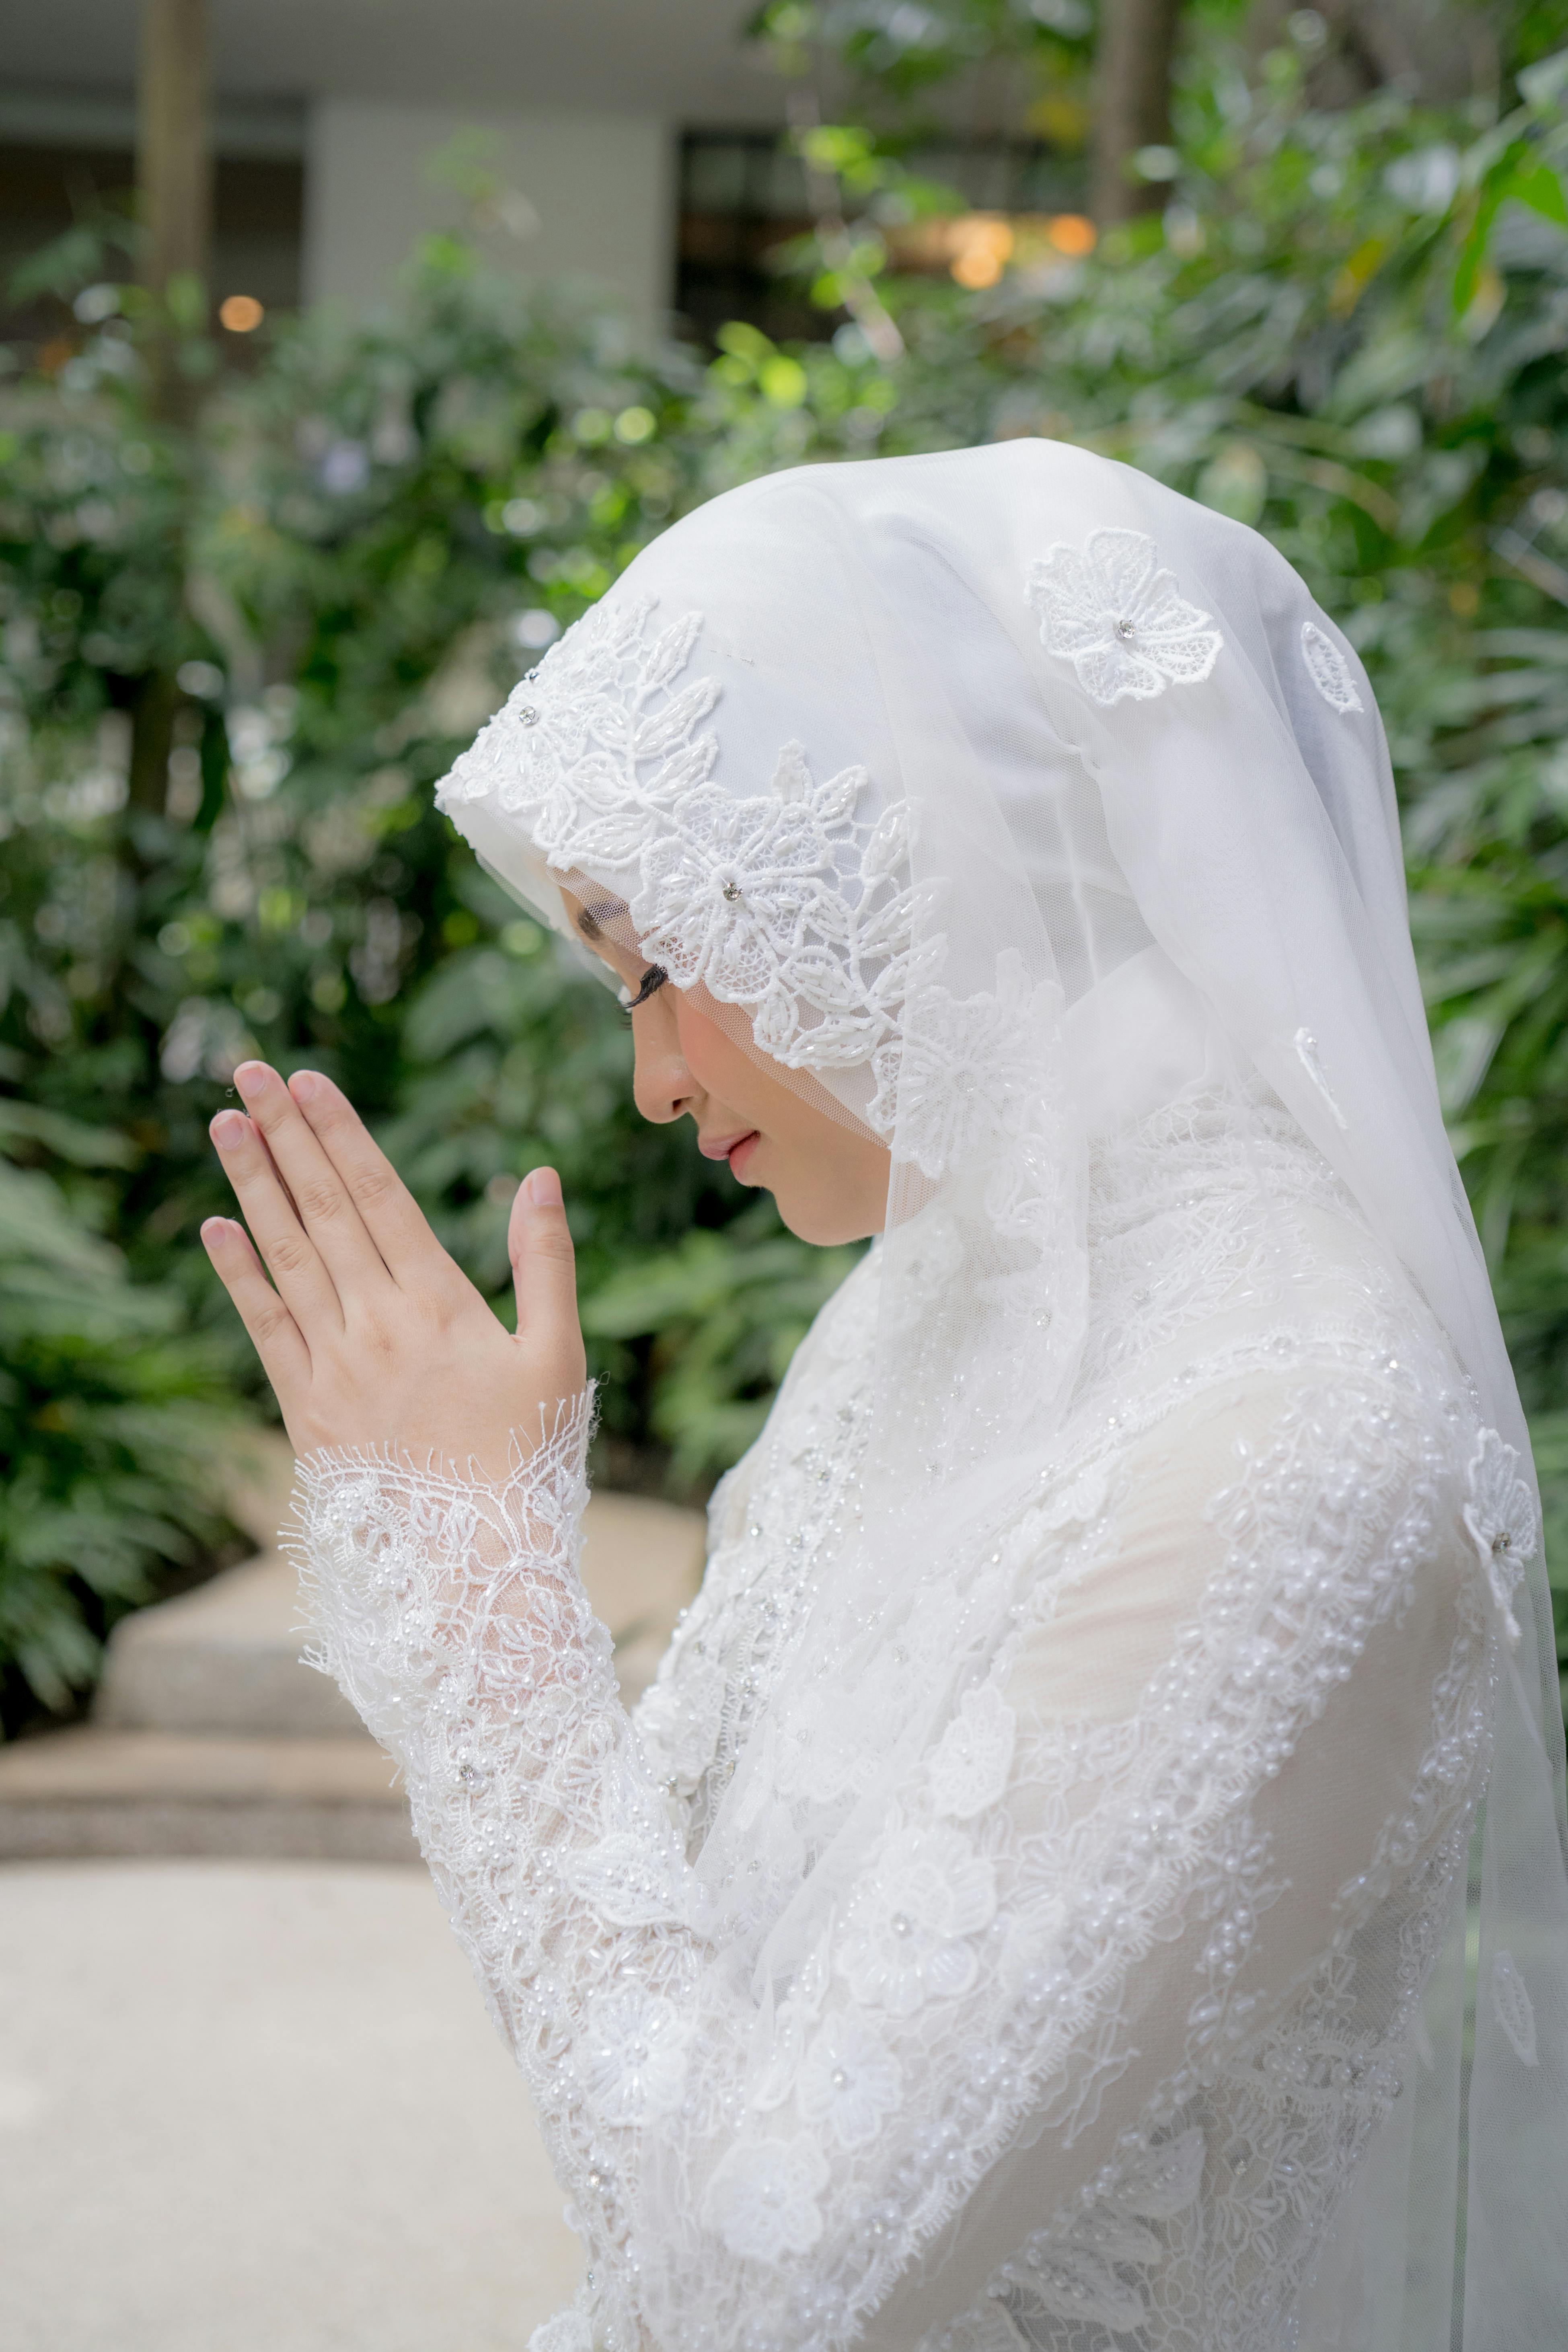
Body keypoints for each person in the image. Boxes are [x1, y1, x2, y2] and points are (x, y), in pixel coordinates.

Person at [199, 444, 1567, 2352]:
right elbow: (642, 2026)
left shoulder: (1300, 1454)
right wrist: (476, 1543)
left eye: (662, 962)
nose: (654, 1080)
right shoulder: (941, 1308)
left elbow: (755, 2293)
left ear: (911, 852)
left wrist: (487, 1605)